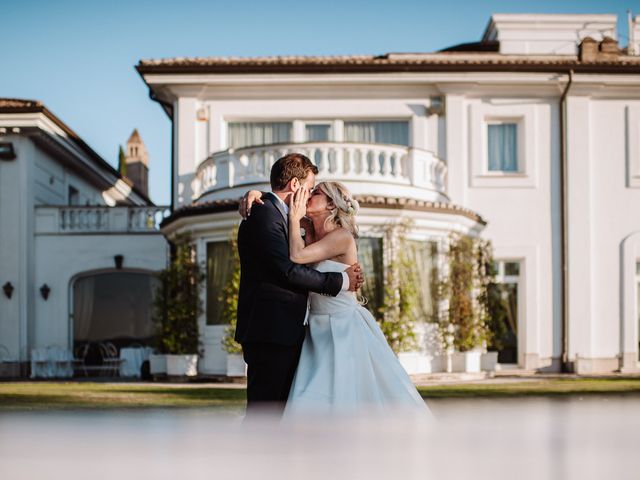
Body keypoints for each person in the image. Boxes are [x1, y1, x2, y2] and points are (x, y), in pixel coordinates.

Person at [242, 178, 432, 417]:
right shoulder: (309, 232)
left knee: (345, 395)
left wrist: (293, 219)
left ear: (331, 204)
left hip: (342, 328)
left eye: (316, 192)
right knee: (308, 399)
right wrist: (254, 194)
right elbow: (276, 206)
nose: (308, 194)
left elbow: (297, 256)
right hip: (314, 329)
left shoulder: (342, 236)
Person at [235, 153, 364, 417]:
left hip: (301, 331)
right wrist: (341, 280)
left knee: (293, 408)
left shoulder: (297, 222)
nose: (309, 194)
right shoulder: (265, 214)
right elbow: (289, 269)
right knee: (265, 413)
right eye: (309, 188)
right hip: (271, 332)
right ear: (295, 185)